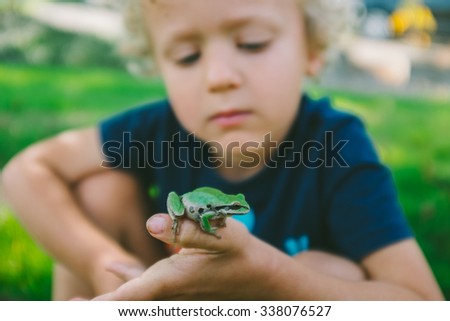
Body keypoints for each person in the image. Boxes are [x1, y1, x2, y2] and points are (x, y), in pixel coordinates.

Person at [2, 0, 443, 300]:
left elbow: (423, 303)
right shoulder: (158, 128)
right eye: (188, 56)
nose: (218, 77)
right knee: (100, 188)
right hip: (164, 292)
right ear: (158, 63)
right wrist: (108, 265)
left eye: (252, 43)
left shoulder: (336, 144)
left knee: (331, 267)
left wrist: (272, 274)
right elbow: (25, 171)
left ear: (312, 48)